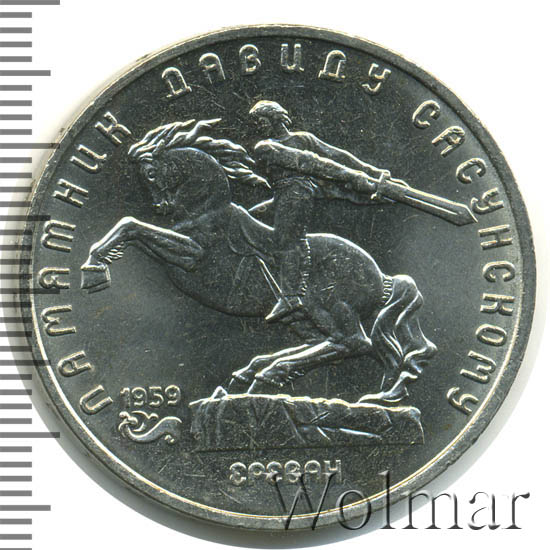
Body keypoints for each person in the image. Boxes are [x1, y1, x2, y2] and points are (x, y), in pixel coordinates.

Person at [248, 100, 391, 323]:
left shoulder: (279, 144)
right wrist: (358, 175)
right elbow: (323, 160)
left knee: (289, 240)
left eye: (261, 121)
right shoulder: (271, 145)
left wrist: (367, 172)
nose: (258, 126)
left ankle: (291, 296)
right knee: (248, 219)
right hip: (281, 196)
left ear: (275, 118)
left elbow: (326, 158)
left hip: (297, 194)